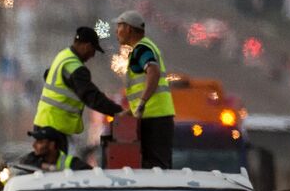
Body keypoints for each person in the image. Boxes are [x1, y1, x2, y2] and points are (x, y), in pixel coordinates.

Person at [32, 26, 125, 154]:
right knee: (53, 171)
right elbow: (91, 97)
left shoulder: (63, 56)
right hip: (53, 130)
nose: (92, 55)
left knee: (48, 170)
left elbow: (48, 75)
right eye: (93, 50)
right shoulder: (75, 67)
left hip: (44, 124)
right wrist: (119, 111)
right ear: (86, 46)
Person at [116, 11, 175, 170]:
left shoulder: (141, 49)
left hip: (154, 117)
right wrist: (131, 110)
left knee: (156, 167)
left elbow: (153, 71)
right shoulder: (146, 46)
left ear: (129, 29)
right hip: (155, 116)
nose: (117, 31)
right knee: (156, 166)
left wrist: (141, 103)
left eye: (119, 26)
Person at [17, 125, 91, 172]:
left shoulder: (71, 162)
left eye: (40, 142)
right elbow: (23, 164)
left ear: (52, 145)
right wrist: (49, 167)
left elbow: (90, 173)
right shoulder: (32, 158)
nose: (34, 145)